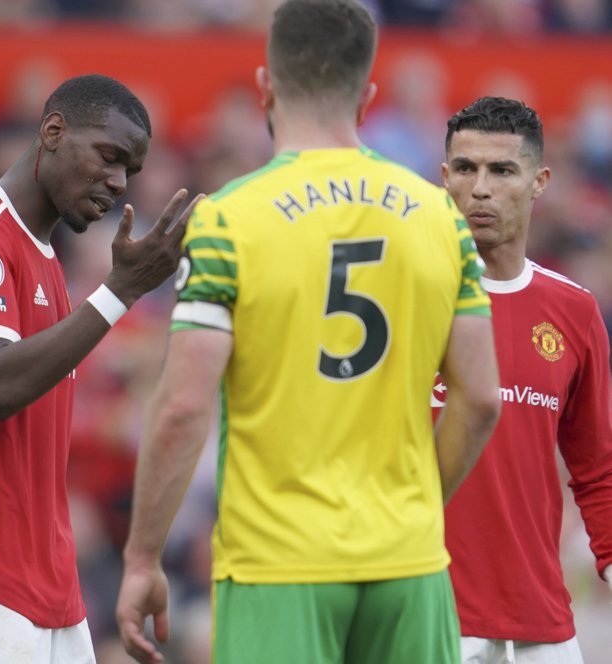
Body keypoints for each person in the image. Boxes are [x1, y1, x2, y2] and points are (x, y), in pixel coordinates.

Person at [114, 1, 502, 663]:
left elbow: (182, 406)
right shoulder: (440, 215)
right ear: (367, 96)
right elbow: (482, 397)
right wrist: (411, 509)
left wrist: (142, 556)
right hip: (407, 563)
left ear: (266, 86)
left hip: (278, 561)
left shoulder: (230, 219)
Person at [0, 73, 201, 663]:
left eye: (130, 169)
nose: (118, 182)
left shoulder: (46, 259)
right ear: (53, 131)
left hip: (47, 581)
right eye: (109, 156)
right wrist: (120, 292)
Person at [439, 96, 612, 664]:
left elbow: (598, 468)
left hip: (543, 626)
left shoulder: (574, 310)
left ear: (539, 181)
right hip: (429, 614)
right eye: (466, 169)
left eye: (502, 170)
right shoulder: (405, 295)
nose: (480, 188)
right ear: (444, 177)